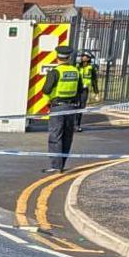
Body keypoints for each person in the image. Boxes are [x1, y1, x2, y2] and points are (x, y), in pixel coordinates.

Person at [41, 46, 83, 174]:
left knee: (55, 136)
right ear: (69, 57)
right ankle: (62, 164)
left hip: (58, 107)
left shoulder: (55, 72)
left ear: (57, 57)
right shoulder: (76, 71)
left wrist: (49, 101)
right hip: (71, 107)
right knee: (67, 136)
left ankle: (56, 166)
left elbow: (46, 90)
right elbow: (80, 90)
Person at [74, 51, 100, 132]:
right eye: (82, 56)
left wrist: (96, 93)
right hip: (76, 90)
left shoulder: (91, 68)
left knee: (81, 107)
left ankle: (77, 125)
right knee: (73, 106)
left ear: (88, 58)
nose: (83, 57)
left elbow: (94, 80)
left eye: (85, 56)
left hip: (84, 90)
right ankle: (71, 124)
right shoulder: (77, 66)